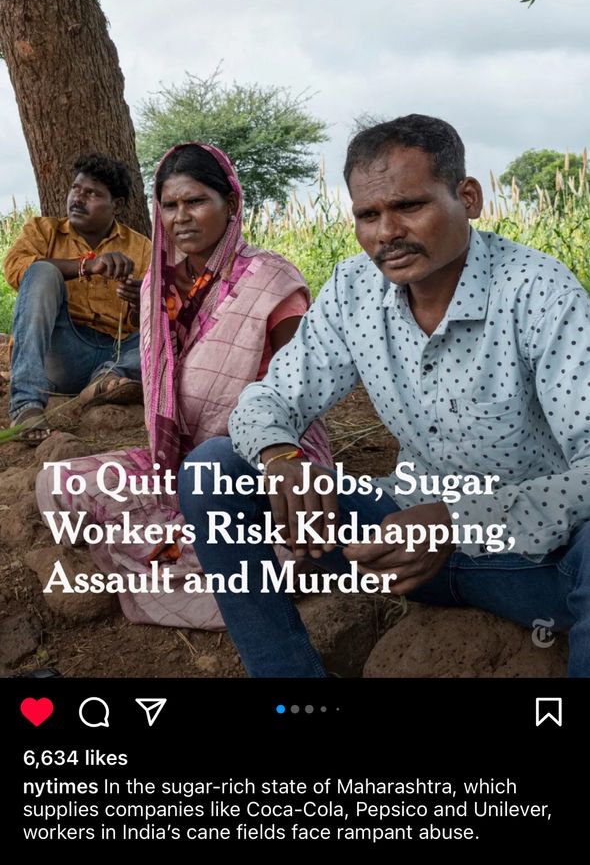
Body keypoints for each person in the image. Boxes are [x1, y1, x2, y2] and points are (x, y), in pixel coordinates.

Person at [177, 114, 590, 678]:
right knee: (212, 471)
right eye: (368, 215)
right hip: (394, 549)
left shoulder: (539, 293)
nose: (386, 232)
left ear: (467, 198)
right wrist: (281, 458)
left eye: (410, 206)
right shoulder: (354, 290)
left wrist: (452, 522)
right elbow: (266, 399)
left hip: (531, 559)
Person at [35, 142, 331, 629]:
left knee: (277, 537)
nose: (181, 217)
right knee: (59, 482)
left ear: (230, 204)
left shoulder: (270, 280)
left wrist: (276, 459)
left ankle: (207, 557)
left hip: (262, 462)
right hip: (175, 462)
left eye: (195, 202)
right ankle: (213, 555)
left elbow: (299, 387)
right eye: (169, 206)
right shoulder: (159, 285)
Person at [4, 153, 151, 442]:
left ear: (116, 205)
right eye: (76, 189)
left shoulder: (141, 247)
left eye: (92, 193)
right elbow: (15, 270)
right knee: (42, 271)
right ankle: (25, 405)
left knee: (166, 331)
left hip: (116, 354)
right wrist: (86, 266)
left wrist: (138, 303)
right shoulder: (43, 230)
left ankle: (103, 382)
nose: (78, 198)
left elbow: (141, 323)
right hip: (61, 355)